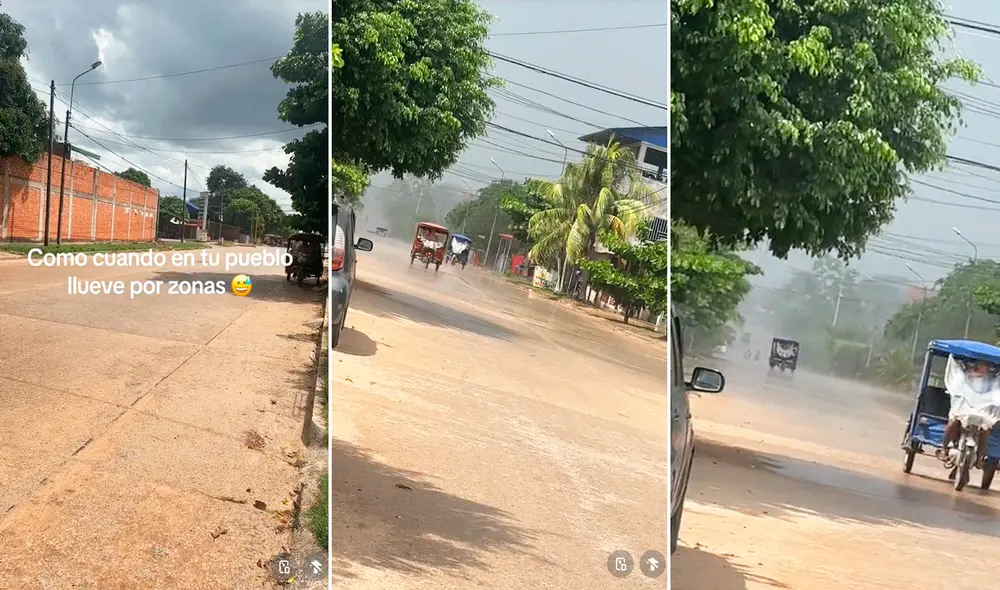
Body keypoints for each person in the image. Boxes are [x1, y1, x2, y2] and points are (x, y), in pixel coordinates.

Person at [937, 359, 998, 466]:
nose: (986, 368)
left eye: (987, 366)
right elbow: (957, 387)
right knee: (954, 422)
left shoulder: (992, 380)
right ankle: (944, 448)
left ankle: (979, 457)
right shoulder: (964, 376)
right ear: (977, 365)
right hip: (963, 408)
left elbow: (995, 394)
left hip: (982, 412)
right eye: (983, 365)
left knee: (986, 430)